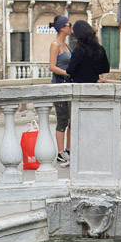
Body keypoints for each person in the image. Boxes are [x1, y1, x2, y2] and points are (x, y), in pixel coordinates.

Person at [49, 15, 73, 166]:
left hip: (68, 84)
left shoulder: (66, 45)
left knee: (72, 119)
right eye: (69, 25)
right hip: (59, 84)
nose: (71, 27)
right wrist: (66, 73)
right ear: (62, 27)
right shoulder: (55, 45)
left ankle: (69, 150)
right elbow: (52, 66)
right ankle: (60, 152)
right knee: (62, 119)